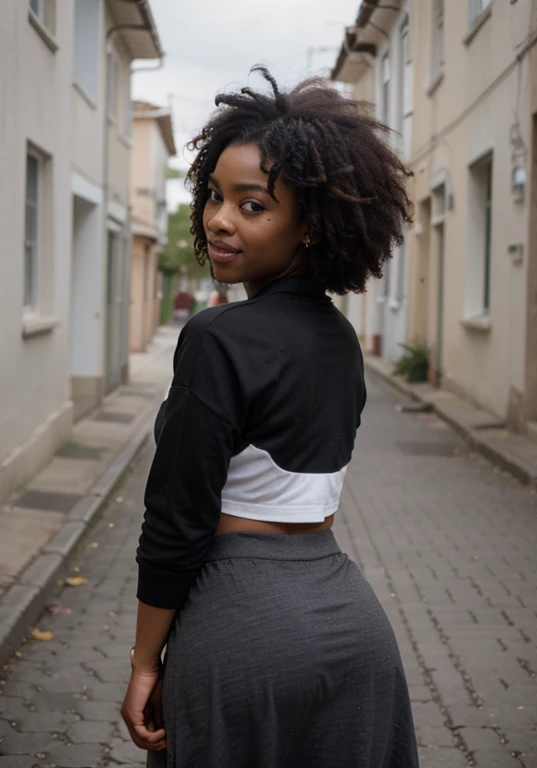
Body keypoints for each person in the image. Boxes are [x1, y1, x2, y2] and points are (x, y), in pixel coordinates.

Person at [121, 66, 418, 768]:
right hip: (355, 628)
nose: (218, 219)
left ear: (311, 225)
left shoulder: (217, 337)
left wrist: (143, 663)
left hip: (242, 630)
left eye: (251, 206)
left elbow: (177, 520)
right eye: (214, 197)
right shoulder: (343, 341)